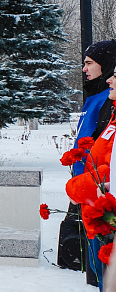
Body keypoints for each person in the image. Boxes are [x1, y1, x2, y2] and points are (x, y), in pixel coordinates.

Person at [59, 40, 116, 275]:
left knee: (99, 266)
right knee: (94, 264)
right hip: (85, 189)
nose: (84, 68)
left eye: (90, 63)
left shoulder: (107, 100)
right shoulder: (97, 96)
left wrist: (82, 186)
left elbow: (106, 158)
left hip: (96, 192)